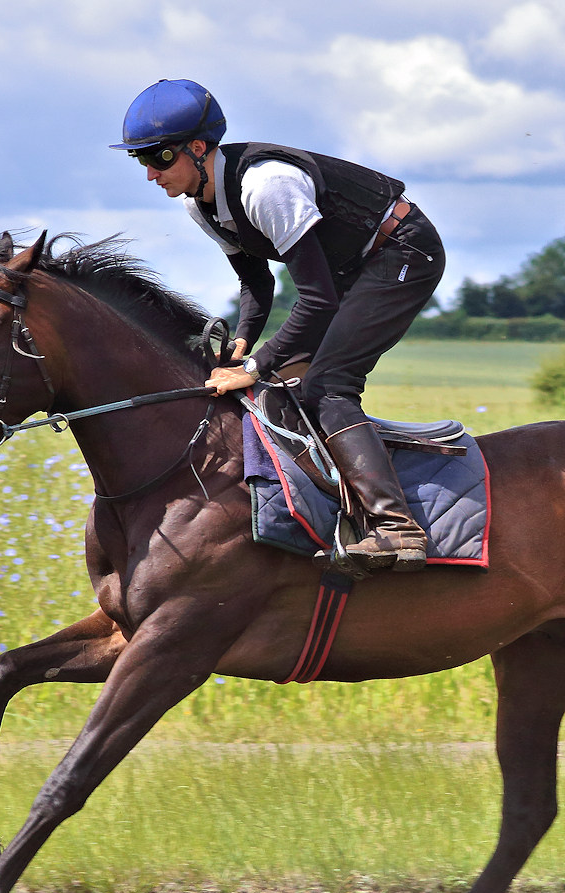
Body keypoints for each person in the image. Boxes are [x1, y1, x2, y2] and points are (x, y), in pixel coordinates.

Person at [110, 79, 446, 572]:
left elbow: (317, 298)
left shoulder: (265, 187)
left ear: (198, 149)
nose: (149, 173)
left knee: (329, 385)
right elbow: (256, 284)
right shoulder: (198, 201)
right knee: (287, 383)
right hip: (348, 268)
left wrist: (254, 364)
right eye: (140, 160)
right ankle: (330, 506)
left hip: (402, 252)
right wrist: (245, 338)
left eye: (159, 157)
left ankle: (397, 529)